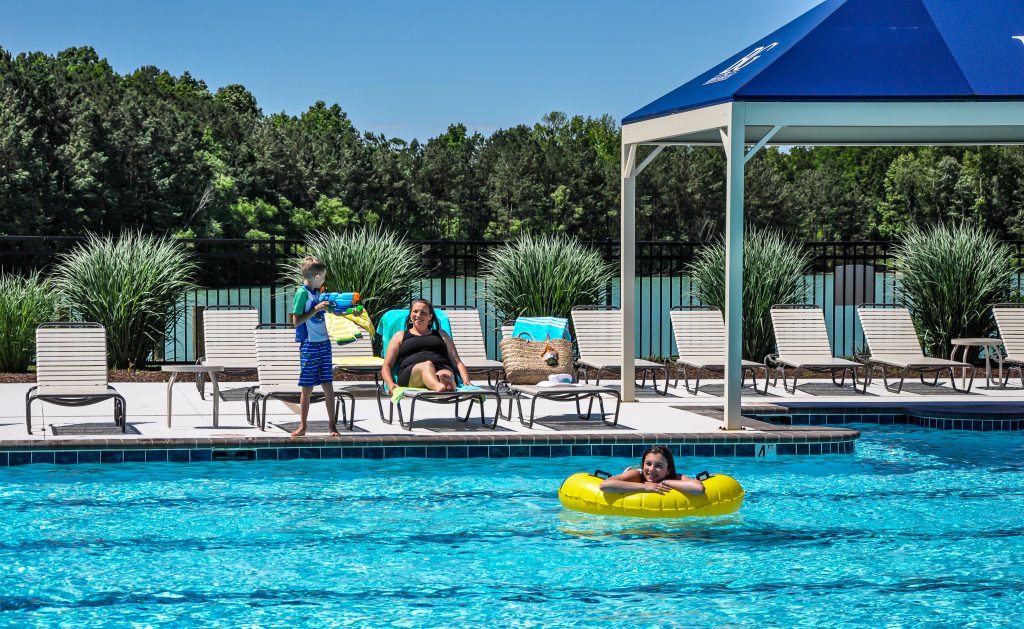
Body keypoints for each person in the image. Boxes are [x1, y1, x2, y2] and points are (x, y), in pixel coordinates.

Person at [290, 256, 338, 437]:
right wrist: (316, 309)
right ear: (316, 277)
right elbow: (296, 321)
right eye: (324, 277)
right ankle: (303, 426)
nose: (325, 280)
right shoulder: (303, 294)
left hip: (325, 344)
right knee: (307, 388)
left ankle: (332, 426)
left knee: (328, 384)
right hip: (309, 345)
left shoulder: (320, 292)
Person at [381, 298, 473, 393]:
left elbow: (456, 361)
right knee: (427, 365)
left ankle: (445, 385)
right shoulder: (400, 335)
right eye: (415, 311)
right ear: (410, 314)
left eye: (423, 313)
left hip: (440, 369)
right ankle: (438, 387)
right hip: (412, 374)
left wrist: (466, 380)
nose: (418, 315)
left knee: (446, 375)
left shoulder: (442, 334)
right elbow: (387, 365)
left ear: (430, 317)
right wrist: (390, 383)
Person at [599, 445, 705, 495]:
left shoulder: (674, 477)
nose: (652, 469)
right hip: (633, 469)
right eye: (648, 464)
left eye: (658, 466)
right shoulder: (636, 474)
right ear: (643, 465)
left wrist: (664, 482)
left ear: (668, 470)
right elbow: (605, 485)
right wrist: (644, 486)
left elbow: (699, 489)